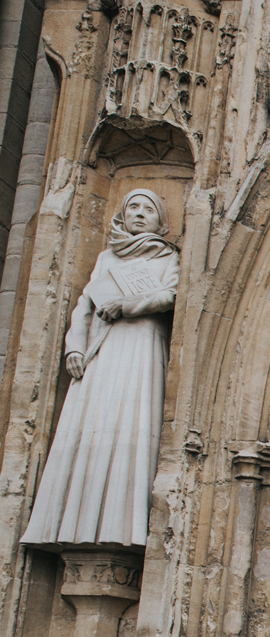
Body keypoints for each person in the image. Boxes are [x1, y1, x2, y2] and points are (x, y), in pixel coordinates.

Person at [23, 188, 179, 548]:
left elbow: (170, 295)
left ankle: (122, 527)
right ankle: (74, 523)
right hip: (104, 348)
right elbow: (84, 305)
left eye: (148, 209)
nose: (139, 214)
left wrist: (129, 305)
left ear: (161, 220)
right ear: (121, 215)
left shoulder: (167, 256)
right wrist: (73, 348)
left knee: (132, 425)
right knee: (96, 423)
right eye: (133, 207)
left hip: (140, 346)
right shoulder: (108, 258)